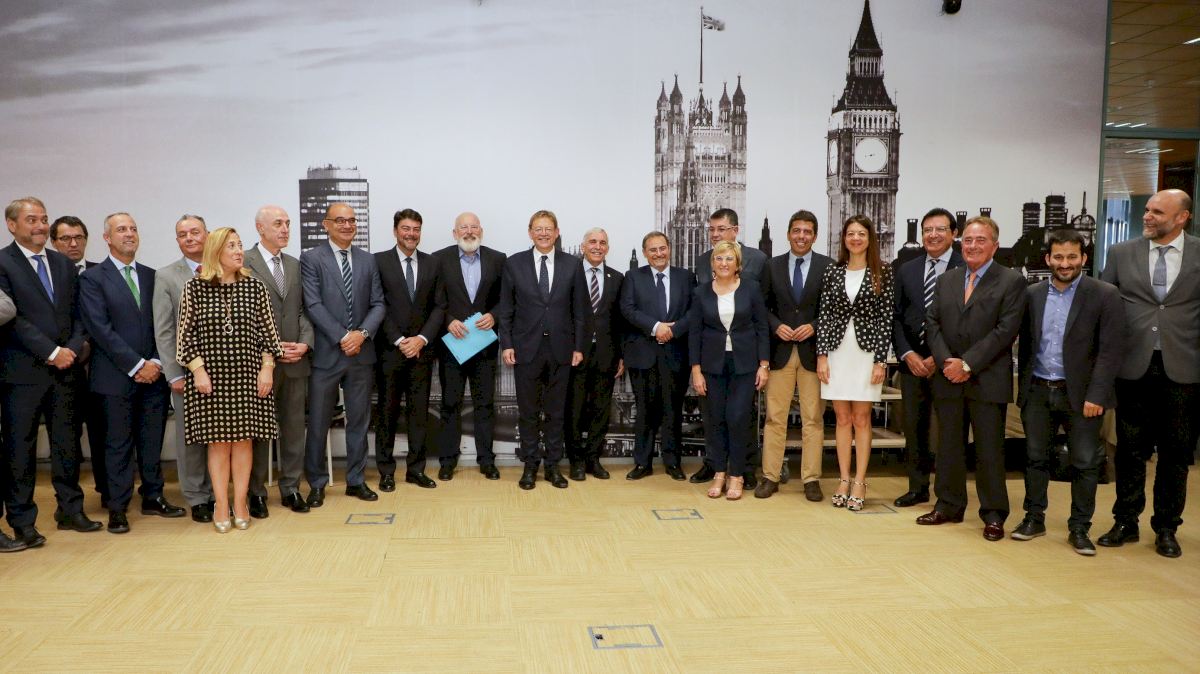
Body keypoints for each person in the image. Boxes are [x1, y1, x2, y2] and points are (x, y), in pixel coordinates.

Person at [1098, 188, 1198, 558]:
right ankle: (1125, 521)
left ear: (1182, 217)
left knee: (1175, 453)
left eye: (1157, 212)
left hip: (1184, 370)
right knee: (1129, 450)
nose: (1147, 216)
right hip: (1132, 366)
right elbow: (1106, 307)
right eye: (1147, 209)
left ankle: (1167, 527)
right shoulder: (1121, 253)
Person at [1013, 229, 1124, 555]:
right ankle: (1034, 518)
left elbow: (1110, 351)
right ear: (1048, 259)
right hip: (1038, 389)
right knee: (1035, 458)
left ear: (1083, 258)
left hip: (1082, 396)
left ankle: (1079, 527)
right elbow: (1026, 344)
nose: (1065, 263)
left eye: (1072, 257)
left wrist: (1097, 395)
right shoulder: (1032, 294)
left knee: (1085, 462)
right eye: (1058, 257)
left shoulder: (1104, 294)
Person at [917, 216, 1026, 541]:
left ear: (994, 245)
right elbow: (932, 323)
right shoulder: (947, 279)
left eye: (980, 240)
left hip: (986, 378)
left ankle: (993, 514)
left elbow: (1005, 331)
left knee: (989, 450)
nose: (973, 246)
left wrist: (967, 364)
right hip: (948, 377)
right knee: (948, 446)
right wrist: (946, 362)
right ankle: (948, 505)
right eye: (967, 240)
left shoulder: (1011, 281)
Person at [0, 196, 98, 548]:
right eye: (32, 220)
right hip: (22, 374)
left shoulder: (62, 263)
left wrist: (71, 348)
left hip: (66, 371)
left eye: (43, 219)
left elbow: (78, 314)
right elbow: (12, 318)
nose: (41, 226)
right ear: (12, 225)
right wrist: (51, 352)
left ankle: (70, 510)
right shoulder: (2, 263)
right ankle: (22, 521)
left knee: (67, 445)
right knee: (20, 451)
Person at [79, 212, 185, 534]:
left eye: (133, 229)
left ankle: (153, 496)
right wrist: (137, 365)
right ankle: (117, 507)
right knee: (118, 446)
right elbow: (100, 329)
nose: (129, 234)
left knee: (151, 442)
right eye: (121, 229)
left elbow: (163, 325)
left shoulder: (152, 276)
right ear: (107, 238)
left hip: (154, 375)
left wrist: (155, 362)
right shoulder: (92, 278)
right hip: (114, 378)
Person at [176, 227, 283, 533]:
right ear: (216, 252)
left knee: (244, 443)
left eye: (239, 245)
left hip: (249, 377)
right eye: (232, 246)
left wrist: (267, 368)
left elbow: (269, 334)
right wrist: (198, 371)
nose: (239, 251)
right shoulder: (194, 288)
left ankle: (241, 502)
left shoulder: (255, 287)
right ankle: (221, 504)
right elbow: (184, 338)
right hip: (209, 380)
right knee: (219, 445)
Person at [496, 210, 587, 490]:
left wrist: (579, 347)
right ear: (530, 232)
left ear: (557, 233)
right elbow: (506, 310)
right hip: (526, 349)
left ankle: (553, 467)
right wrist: (507, 344)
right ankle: (530, 466)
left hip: (562, 349)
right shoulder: (514, 264)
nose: (544, 233)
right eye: (538, 229)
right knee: (528, 413)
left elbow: (580, 312)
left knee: (556, 413)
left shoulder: (573, 264)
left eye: (549, 229)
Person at [301, 203, 385, 506]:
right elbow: (313, 305)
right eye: (340, 221)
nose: (347, 226)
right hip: (327, 354)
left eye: (351, 220)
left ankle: (356, 481)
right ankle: (317, 483)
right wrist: (343, 336)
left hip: (361, 354)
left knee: (359, 422)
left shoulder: (368, 260)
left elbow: (378, 303)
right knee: (319, 422)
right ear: (326, 224)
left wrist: (361, 334)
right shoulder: (312, 258)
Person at [816, 215, 894, 511]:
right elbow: (825, 314)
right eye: (851, 233)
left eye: (861, 233)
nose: (856, 238)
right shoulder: (833, 271)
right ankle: (843, 479)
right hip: (837, 352)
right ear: (844, 238)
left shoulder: (882, 271)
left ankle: (860, 481)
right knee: (841, 418)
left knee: (862, 419)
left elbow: (886, 318)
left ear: (869, 238)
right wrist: (822, 355)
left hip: (866, 354)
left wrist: (880, 361)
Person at [891, 208, 963, 507]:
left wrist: (938, 356)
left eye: (940, 229)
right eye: (927, 230)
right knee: (914, 428)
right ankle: (917, 487)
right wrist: (907, 353)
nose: (933, 235)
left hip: (949, 365)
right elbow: (896, 317)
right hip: (913, 364)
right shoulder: (907, 269)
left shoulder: (965, 267)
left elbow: (967, 322)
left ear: (953, 233)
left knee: (949, 432)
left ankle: (947, 494)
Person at [758, 210, 833, 499]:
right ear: (789, 233)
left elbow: (833, 310)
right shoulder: (771, 266)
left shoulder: (828, 266)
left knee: (813, 419)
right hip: (780, 353)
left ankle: (811, 479)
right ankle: (770, 476)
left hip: (813, 355)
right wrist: (775, 325)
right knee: (775, 418)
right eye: (797, 231)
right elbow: (761, 306)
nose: (802, 236)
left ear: (815, 236)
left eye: (807, 232)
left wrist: (813, 326)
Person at [692, 207, 768, 488]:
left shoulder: (758, 261)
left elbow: (762, 319)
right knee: (714, 417)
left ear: (735, 230)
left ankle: (742, 470)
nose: (715, 234)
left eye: (721, 229)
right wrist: (696, 368)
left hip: (745, 358)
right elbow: (696, 324)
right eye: (711, 229)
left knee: (740, 416)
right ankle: (716, 467)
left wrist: (764, 363)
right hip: (713, 359)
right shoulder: (702, 266)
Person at [244, 205, 313, 515]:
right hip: (260, 364)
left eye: (287, 223)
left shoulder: (295, 265)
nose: (285, 229)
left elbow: (303, 311)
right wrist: (270, 348)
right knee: (259, 431)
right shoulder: (244, 262)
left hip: (295, 361)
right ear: (260, 228)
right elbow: (244, 316)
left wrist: (305, 343)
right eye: (277, 224)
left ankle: (291, 488)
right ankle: (256, 492)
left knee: (294, 429)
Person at [433, 212, 506, 481]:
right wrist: (448, 320)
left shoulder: (498, 259)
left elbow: (506, 298)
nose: (469, 231)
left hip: (484, 346)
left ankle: (486, 460)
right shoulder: (439, 260)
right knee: (450, 404)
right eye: (463, 227)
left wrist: (494, 316)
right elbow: (432, 301)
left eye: (474, 227)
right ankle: (447, 460)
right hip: (453, 346)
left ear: (481, 231)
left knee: (484, 405)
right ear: (455, 233)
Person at [374, 208, 442, 491]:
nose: (411, 234)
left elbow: (439, 306)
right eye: (406, 228)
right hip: (390, 352)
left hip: (422, 352)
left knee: (419, 414)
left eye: (416, 229)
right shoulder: (378, 262)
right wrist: (400, 340)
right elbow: (377, 304)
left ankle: (416, 470)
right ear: (395, 231)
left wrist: (421, 339)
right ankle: (386, 471)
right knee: (387, 413)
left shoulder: (432, 263)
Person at [153, 215, 215, 523]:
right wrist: (173, 373)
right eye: (182, 234)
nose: (189, 238)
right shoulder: (166, 276)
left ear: (207, 234)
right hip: (186, 373)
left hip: (226, 371)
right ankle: (197, 496)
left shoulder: (223, 269)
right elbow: (164, 330)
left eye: (194, 232)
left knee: (220, 436)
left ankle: (217, 492)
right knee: (191, 437)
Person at [620, 231, 695, 481]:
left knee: (673, 410)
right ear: (645, 253)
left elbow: (694, 311)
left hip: (676, 353)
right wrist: (656, 327)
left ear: (669, 249)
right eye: (653, 250)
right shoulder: (633, 277)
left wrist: (673, 330)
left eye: (662, 248)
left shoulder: (687, 277)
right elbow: (627, 309)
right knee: (645, 410)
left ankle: (673, 462)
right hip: (643, 354)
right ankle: (643, 463)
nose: (658, 253)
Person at [50, 215, 107, 504]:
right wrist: (69, 351)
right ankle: (70, 504)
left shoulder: (102, 272)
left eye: (79, 238)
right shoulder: (48, 275)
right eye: (65, 238)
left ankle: (108, 492)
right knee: (67, 439)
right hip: (60, 368)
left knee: (103, 434)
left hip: (101, 368)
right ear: (53, 242)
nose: (73, 244)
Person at [565, 227, 624, 481]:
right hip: (575, 353)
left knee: (601, 409)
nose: (597, 247)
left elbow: (621, 320)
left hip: (606, 354)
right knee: (575, 409)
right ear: (583, 247)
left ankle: (593, 459)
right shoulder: (569, 273)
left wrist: (621, 355)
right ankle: (576, 461)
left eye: (602, 243)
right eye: (592, 242)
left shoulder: (617, 278)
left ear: (607, 248)